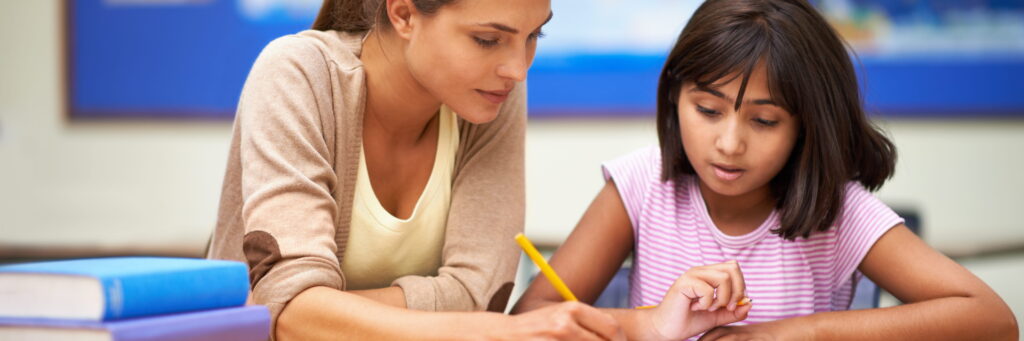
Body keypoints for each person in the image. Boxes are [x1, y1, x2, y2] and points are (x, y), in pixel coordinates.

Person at [511, 0, 1019, 340]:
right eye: (707, 111)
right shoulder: (644, 183)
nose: (730, 144)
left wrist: (790, 332)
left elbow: (992, 319)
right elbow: (529, 322)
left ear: (807, 124)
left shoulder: (837, 212)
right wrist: (650, 324)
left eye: (764, 120)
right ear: (673, 97)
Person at [207, 0, 625, 339]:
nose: (517, 69)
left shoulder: (492, 96)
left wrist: (319, 311)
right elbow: (289, 312)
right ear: (404, 14)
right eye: (487, 39)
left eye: (534, 35)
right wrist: (483, 328)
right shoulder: (298, 72)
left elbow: (480, 296)